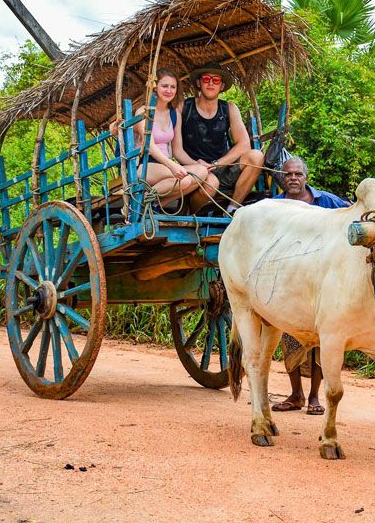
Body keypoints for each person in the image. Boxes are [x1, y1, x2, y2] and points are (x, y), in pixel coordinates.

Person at [271, 156, 350, 415]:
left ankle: (315, 397)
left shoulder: (326, 201)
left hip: (322, 280)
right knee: (289, 336)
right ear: (282, 179)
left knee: (320, 341)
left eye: (298, 174)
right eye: (288, 174)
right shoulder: (275, 206)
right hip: (289, 280)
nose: (293, 178)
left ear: (306, 178)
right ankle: (296, 394)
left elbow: (349, 210)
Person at [173, 62, 264, 215]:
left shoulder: (229, 108)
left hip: (222, 167)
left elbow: (244, 145)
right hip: (194, 170)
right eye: (206, 79)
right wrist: (198, 166)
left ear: (221, 86)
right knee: (211, 183)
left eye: (215, 80)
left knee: (256, 156)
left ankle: (233, 209)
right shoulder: (183, 107)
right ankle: (192, 213)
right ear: (198, 83)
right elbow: (177, 150)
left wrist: (216, 165)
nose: (210, 83)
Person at [119, 68, 209, 209]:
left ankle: (157, 203)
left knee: (202, 173)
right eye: (164, 86)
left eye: (173, 87)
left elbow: (178, 150)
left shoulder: (174, 114)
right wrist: (173, 166)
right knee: (184, 180)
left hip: (165, 165)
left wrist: (197, 164)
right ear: (155, 88)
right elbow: (150, 146)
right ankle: (140, 202)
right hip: (144, 165)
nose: (169, 90)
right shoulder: (143, 111)